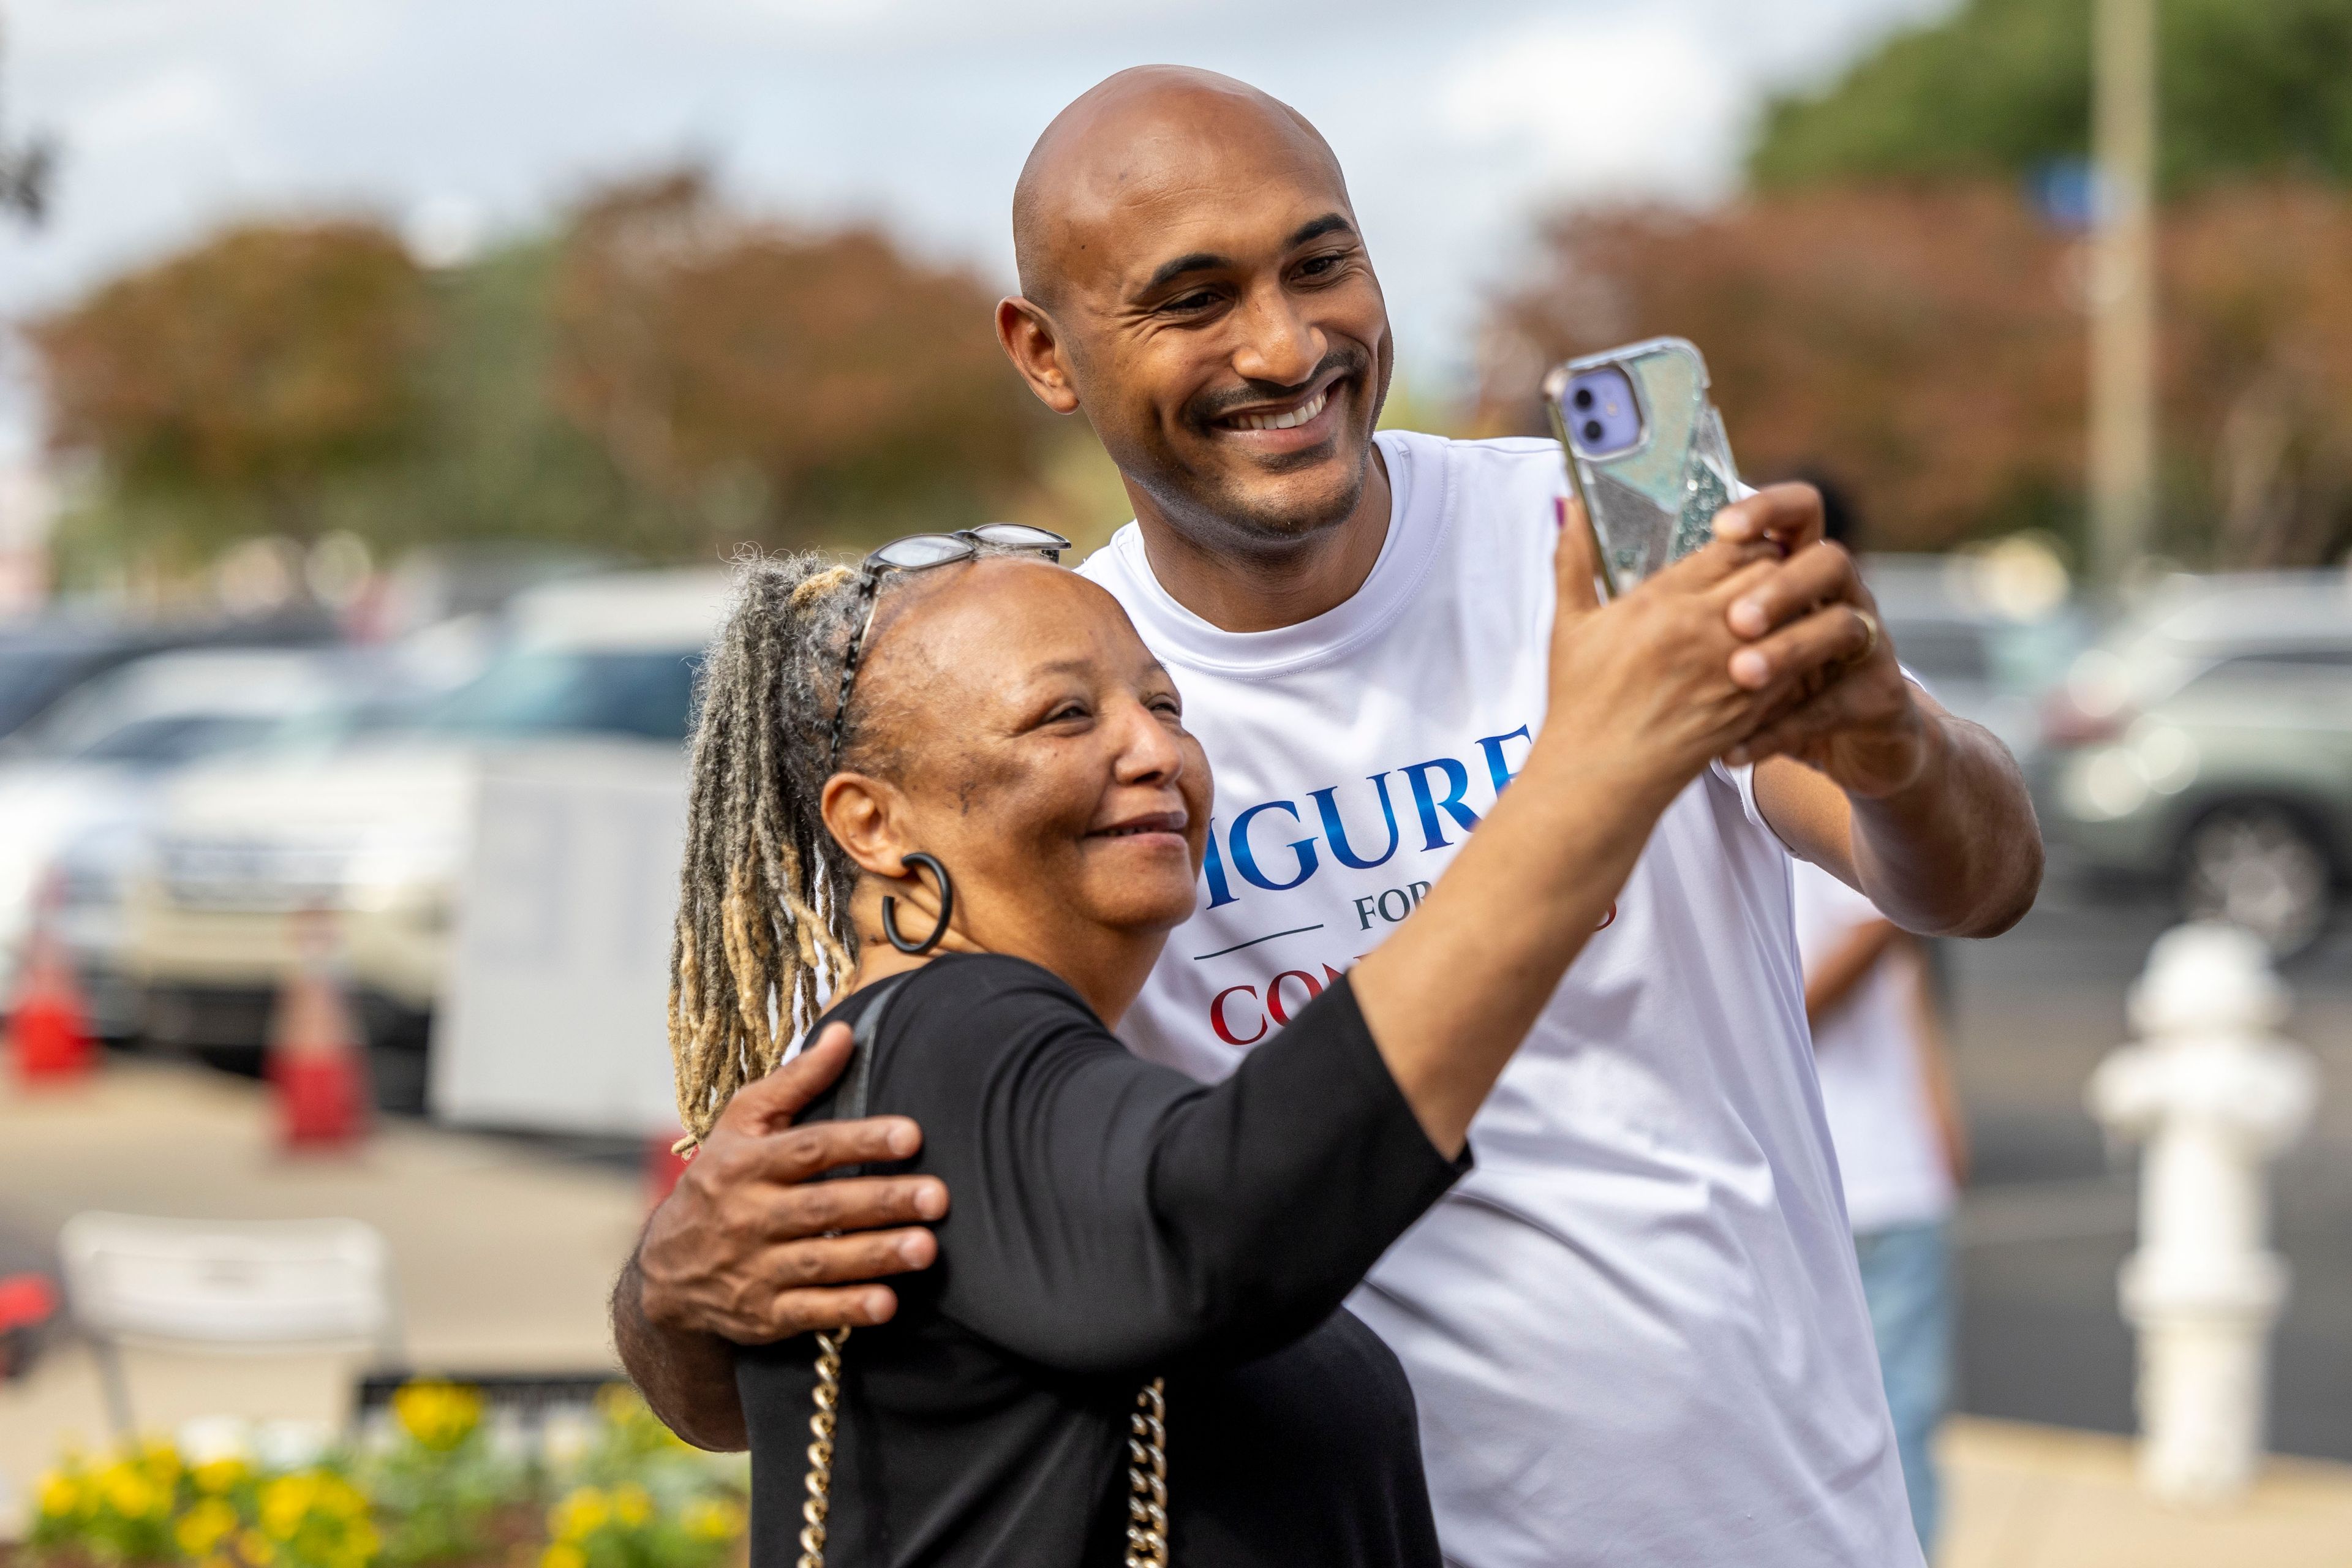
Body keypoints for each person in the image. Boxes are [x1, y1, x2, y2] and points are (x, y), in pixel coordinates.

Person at [616, 67, 2045, 1567]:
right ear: (1045, 352)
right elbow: (828, 1288)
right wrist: (669, 1287)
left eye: (1320, 262)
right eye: (1192, 298)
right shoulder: (1026, 710)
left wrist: (1892, 741)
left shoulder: (1582, 544)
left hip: (1793, 1527)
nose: (1287, 344)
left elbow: (1978, 880)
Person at [663, 518, 1852, 1566]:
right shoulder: (945, 1035)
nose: (1155, 751)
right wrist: (1600, 764)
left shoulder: (968, 1067)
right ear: (872, 820)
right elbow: (1223, 1219)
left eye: (1166, 705)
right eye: (1066, 713)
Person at [1795, 845, 1972, 1555]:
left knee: (1891, 1425)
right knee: (1890, 1424)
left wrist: (1938, 1108)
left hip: (1871, 1170)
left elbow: (1886, 938)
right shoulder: (1815, 775)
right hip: (1858, 1171)